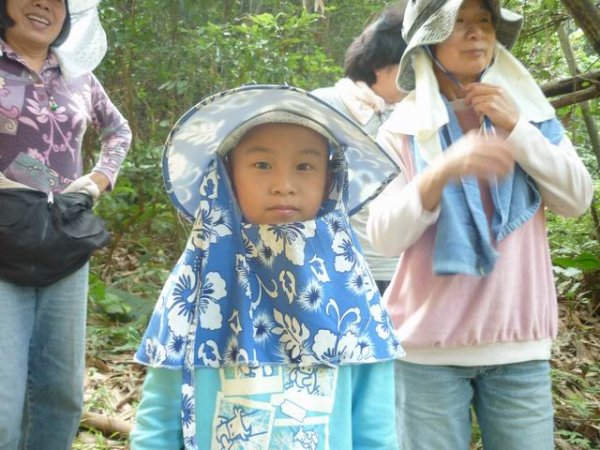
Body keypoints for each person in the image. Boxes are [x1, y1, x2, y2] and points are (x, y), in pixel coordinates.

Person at [367, 0, 594, 449]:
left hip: (518, 343)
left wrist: (517, 128)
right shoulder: (402, 129)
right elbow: (385, 237)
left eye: (485, 21)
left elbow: (576, 199)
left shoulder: (531, 114)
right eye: (458, 23)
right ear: (428, 44)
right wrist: (441, 170)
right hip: (426, 350)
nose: (477, 33)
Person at [130, 85, 404, 449]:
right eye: (262, 165)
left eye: (305, 166)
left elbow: (375, 433)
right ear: (228, 174)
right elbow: (158, 427)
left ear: (330, 178)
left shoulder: (353, 290)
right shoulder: (194, 288)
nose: (283, 186)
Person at [0, 0, 132, 448]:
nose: (44, 4)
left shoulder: (78, 74)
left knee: (61, 392)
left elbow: (118, 131)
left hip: (65, 239)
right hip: (4, 241)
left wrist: (96, 181)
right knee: (4, 401)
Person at [312, 4, 406, 294]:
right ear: (379, 65)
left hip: (402, 268)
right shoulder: (324, 106)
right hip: (340, 266)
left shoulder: (411, 115)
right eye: (409, 65)